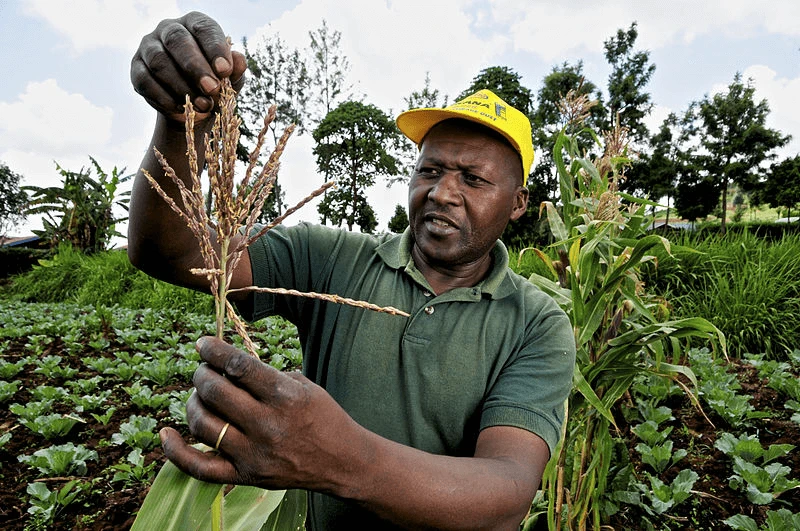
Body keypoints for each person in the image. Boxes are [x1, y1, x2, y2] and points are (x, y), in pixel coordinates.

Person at [128, 11, 575, 530]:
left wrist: (338, 460)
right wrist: (181, 128)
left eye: (473, 179)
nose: (442, 192)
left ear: (518, 203)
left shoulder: (536, 323)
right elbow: (174, 253)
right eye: (429, 170)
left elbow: (506, 495)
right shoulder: (335, 258)